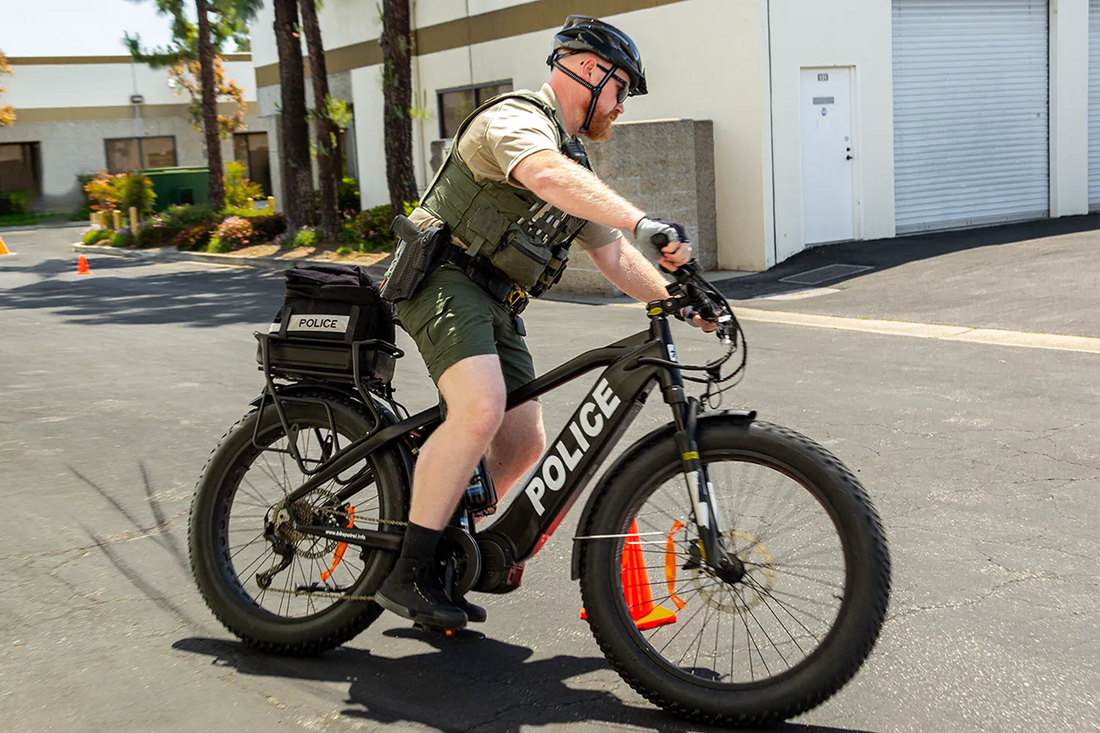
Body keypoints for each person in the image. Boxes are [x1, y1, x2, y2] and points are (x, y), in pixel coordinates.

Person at [375, 15, 715, 629]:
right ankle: (410, 570)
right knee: (478, 408)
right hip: (442, 279)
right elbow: (541, 173)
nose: (621, 103)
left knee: (522, 440)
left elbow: (610, 255)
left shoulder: (571, 156)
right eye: (620, 87)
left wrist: (677, 299)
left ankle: (449, 532)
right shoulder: (515, 121)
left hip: (497, 299)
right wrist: (646, 221)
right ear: (588, 69)